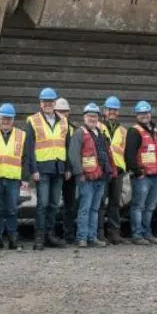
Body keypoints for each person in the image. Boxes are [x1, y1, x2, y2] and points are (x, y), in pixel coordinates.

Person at [23, 87, 70, 250]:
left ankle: (50, 234)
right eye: (45, 101)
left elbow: (67, 145)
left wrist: (68, 167)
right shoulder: (33, 120)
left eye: (50, 101)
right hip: (42, 169)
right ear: (40, 103)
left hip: (58, 168)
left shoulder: (63, 121)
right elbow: (29, 148)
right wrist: (33, 170)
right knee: (42, 204)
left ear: (55, 102)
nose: (47, 104)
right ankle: (39, 237)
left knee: (54, 204)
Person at [67, 102, 112, 247]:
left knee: (95, 208)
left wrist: (108, 171)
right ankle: (82, 238)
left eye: (95, 116)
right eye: (89, 116)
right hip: (86, 178)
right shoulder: (80, 132)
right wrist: (79, 173)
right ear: (84, 117)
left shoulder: (100, 133)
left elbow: (105, 154)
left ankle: (92, 237)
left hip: (100, 177)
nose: (92, 118)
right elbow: (73, 154)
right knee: (85, 208)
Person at [124, 100, 157, 245]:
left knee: (150, 207)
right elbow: (129, 154)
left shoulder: (156, 130)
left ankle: (147, 233)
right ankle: (137, 235)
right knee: (139, 206)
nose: (144, 116)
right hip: (142, 176)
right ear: (137, 115)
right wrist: (137, 172)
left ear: (150, 113)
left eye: (146, 113)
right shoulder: (134, 131)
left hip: (155, 175)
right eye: (141, 113)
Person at [0, 103, 26, 250]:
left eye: (9, 119)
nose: (6, 121)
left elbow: (26, 158)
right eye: (3, 118)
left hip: (13, 178)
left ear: (13, 119)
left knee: (11, 209)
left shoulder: (21, 135)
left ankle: (12, 238)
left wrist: (25, 178)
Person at [99, 96, 128, 245]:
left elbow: (126, 151)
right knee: (101, 202)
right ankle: (100, 233)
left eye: (115, 110)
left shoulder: (123, 130)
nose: (112, 112)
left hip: (118, 169)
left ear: (118, 112)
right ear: (104, 111)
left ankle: (114, 233)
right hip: (102, 170)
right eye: (110, 109)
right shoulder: (97, 126)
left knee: (115, 202)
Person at [54, 96, 78, 244]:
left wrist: (71, 168)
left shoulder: (74, 129)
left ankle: (69, 233)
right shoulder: (52, 128)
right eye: (60, 111)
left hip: (70, 172)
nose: (62, 114)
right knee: (53, 203)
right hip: (55, 169)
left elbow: (74, 151)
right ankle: (54, 232)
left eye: (65, 112)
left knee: (70, 204)